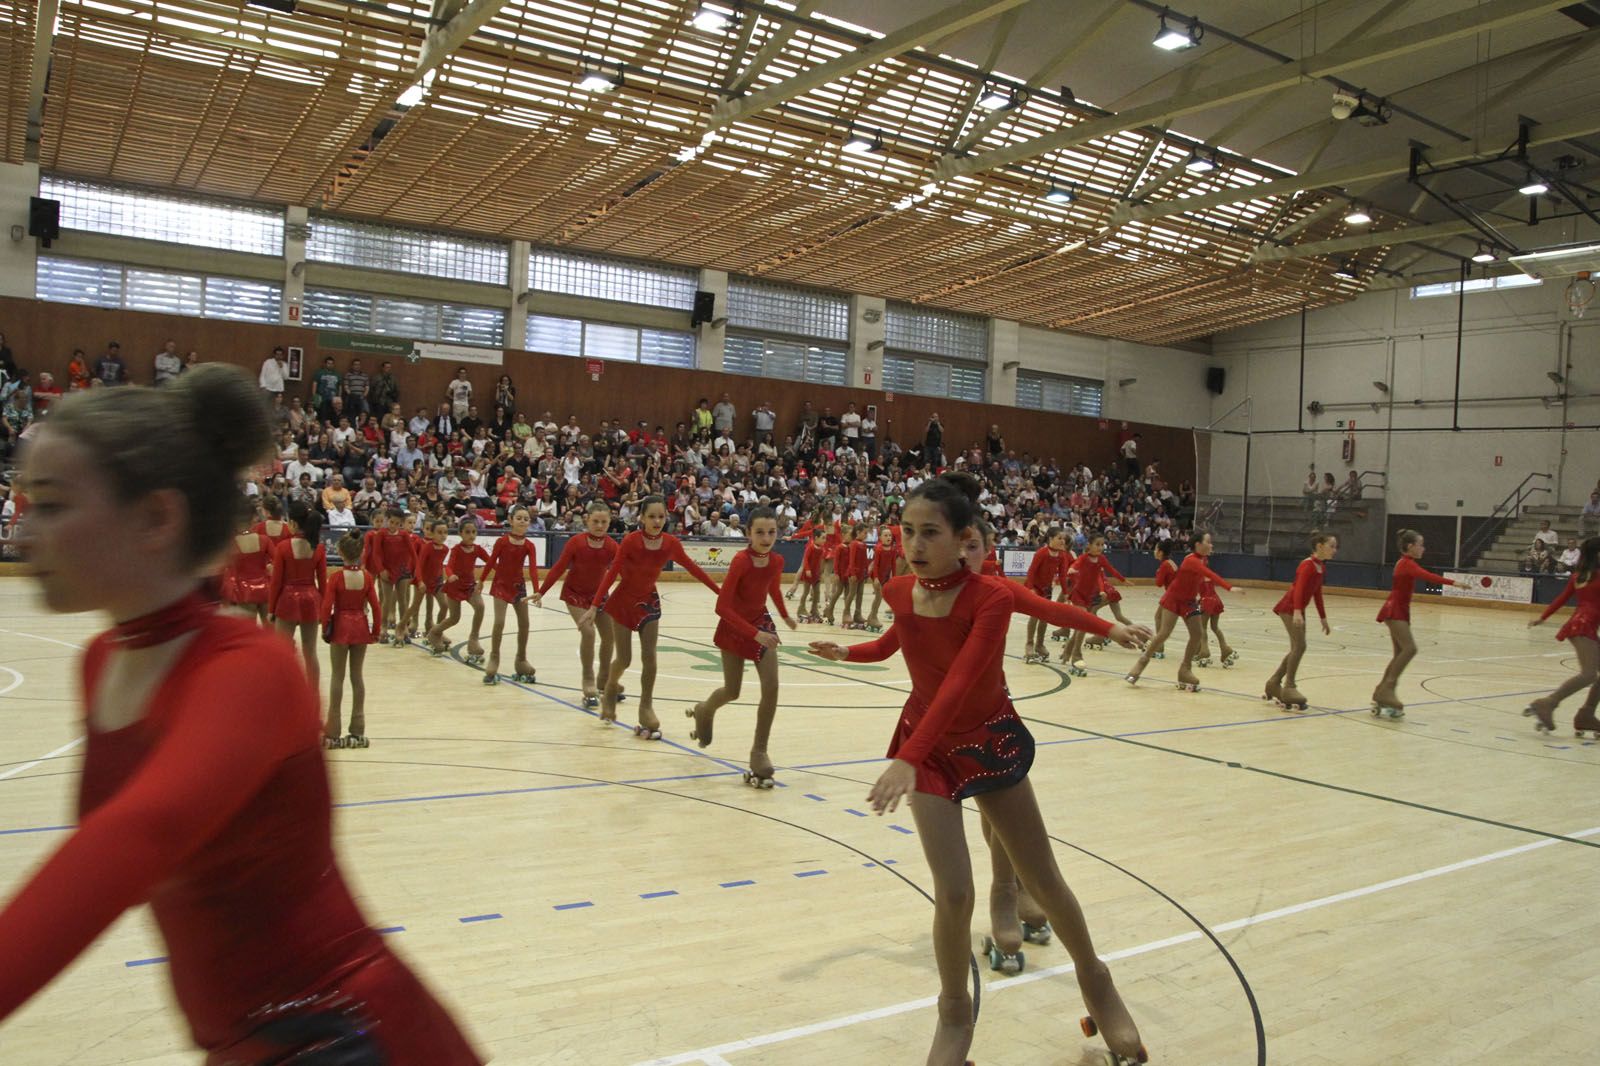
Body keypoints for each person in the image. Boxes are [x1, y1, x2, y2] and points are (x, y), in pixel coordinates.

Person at [0, 364, 481, 1063]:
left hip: (349, 1039)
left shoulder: (248, 672)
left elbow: (134, 839)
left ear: (156, 518)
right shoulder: (102, 660)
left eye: (52, 504)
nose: (26, 526)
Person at [807, 472, 1147, 1066]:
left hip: (989, 742)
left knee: (1043, 882)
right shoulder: (896, 591)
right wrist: (850, 652)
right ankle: (954, 1012)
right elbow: (894, 645)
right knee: (954, 892)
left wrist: (1108, 624)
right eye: (907, 531)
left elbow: (965, 678)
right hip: (929, 749)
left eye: (929, 533)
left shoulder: (990, 597)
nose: (914, 545)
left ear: (964, 538)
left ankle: (1096, 981)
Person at [582, 495, 721, 738]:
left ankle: (646, 706)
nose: (657, 521)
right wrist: (594, 606)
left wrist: (721, 593)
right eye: (652, 516)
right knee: (623, 660)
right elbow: (612, 572)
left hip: (649, 602)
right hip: (624, 602)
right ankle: (611, 688)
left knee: (650, 658)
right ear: (642, 518)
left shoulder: (670, 543)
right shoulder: (631, 541)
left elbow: (694, 569)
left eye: (661, 516)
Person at [684, 506, 796, 787]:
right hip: (735, 628)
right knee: (732, 690)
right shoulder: (740, 562)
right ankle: (705, 710)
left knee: (771, 687)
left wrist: (783, 615)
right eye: (760, 532)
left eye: (771, 532)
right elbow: (722, 606)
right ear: (748, 534)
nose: (767, 537)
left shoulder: (776, 561)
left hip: (762, 624)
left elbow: (772, 589)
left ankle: (759, 751)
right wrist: (753, 634)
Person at [1125, 532, 1236, 689]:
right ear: (1198, 544)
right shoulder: (1191, 560)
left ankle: (1185, 669)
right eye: (1208, 542)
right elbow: (1209, 574)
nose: (1211, 545)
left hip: (1189, 602)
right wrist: (1229, 587)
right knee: (1164, 633)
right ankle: (1141, 663)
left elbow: (1198, 579)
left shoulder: (1203, 559)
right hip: (1174, 599)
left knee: (1197, 634)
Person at [538, 501, 619, 707]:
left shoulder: (611, 546)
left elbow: (623, 570)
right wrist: (541, 591)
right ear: (587, 521)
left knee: (610, 636)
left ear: (609, 522)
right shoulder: (576, 542)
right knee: (589, 633)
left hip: (599, 595)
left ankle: (604, 678)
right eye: (595, 521)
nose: (599, 526)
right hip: (575, 595)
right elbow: (558, 568)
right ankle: (588, 679)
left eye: (603, 522)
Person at [1371, 530, 1456, 718]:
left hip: (1398, 609)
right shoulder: (1407, 564)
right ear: (1411, 546)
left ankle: (1382, 690)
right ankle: (1387, 689)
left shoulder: (1406, 563)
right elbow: (1428, 576)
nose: (1423, 548)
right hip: (1395, 610)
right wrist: (1454, 582)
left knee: (1399, 653)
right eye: (1421, 545)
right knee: (1409, 649)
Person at [1526, 536, 1600, 736]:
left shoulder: (1579, 575)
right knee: (1589, 674)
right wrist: (1543, 617)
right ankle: (1548, 703)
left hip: (1580, 624)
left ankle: (1587, 714)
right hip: (1584, 626)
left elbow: (1561, 598)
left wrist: (1543, 617)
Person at [321, 531, 382, 749]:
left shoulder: (336, 577)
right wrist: (375, 630)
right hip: (360, 626)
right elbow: (375, 606)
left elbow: (327, 606)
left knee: (338, 677)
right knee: (357, 677)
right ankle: (358, 728)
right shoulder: (366, 577)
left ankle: (333, 730)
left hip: (341, 627)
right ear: (361, 552)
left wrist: (325, 626)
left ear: (339, 552)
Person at [1266, 531, 1338, 711]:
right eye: (1332, 546)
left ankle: (1274, 683)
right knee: (1300, 646)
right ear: (1320, 546)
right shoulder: (1307, 565)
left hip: (1297, 609)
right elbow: (1298, 590)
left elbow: (1317, 593)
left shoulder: (1320, 567)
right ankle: (1289, 686)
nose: (1334, 550)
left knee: (1297, 647)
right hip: (1290, 608)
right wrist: (1298, 611)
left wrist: (1323, 618)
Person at [479, 505, 541, 685]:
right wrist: (482, 580)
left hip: (518, 587)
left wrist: (537, 590)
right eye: (519, 518)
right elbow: (491, 562)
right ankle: (494, 657)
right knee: (499, 622)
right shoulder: (502, 542)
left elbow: (533, 569)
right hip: (500, 585)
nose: (523, 521)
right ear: (511, 520)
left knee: (525, 623)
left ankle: (521, 659)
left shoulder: (529, 545)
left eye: (526, 519)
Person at [268, 501, 327, 691]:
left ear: (292, 523)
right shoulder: (318, 548)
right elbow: (323, 582)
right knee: (310, 652)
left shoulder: (283, 547)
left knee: (282, 652)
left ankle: (283, 691)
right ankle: (313, 697)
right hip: (311, 598)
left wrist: (271, 609)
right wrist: (324, 610)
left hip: (288, 599)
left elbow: (276, 582)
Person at [1059, 534, 1124, 676]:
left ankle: (1068, 650)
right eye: (1097, 544)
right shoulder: (1083, 558)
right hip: (1078, 594)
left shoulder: (1101, 559)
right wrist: (1071, 571)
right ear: (1089, 545)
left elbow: (1107, 573)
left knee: (1080, 626)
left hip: (1090, 595)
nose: (1100, 547)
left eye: (1102, 545)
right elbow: (1075, 567)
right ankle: (1077, 654)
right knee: (1083, 623)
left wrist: (1122, 580)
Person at [426, 519, 489, 662]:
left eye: (473, 532)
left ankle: (473, 640)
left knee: (480, 607)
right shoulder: (456, 549)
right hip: (454, 586)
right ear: (460, 533)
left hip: (470, 586)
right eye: (467, 532)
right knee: (455, 618)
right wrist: (450, 575)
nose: (471, 535)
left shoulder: (478, 549)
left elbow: (490, 562)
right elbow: (448, 566)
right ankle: (434, 632)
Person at [1021, 527, 1069, 663]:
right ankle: (1029, 644)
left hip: (1047, 590)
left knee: (1045, 617)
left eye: (1063, 538)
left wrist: (1066, 593)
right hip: (1035, 588)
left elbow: (1063, 575)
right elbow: (1031, 572)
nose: (1062, 541)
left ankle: (1040, 645)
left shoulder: (1062, 555)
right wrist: (1030, 589)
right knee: (1035, 616)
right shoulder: (1042, 553)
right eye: (1059, 538)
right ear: (1051, 539)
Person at [407, 517, 451, 643]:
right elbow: (415, 561)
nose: (429, 532)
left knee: (436, 603)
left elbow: (439, 565)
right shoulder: (421, 544)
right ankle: (409, 623)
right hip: (421, 578)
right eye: (427, 529)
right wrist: (415, 577)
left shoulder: (443, 548)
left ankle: (433, 628)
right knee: (416, 604)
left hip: (435, 580)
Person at [865, 521, 899, 631]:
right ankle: (873, 617)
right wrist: (875, 578)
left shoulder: (893, 549)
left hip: (885, 575)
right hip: (876, 575)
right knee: (879, 597)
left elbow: (893, 564)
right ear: (880, 537)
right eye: (885, 535)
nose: (888, 537)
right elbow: (876, 565)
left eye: (890, 535)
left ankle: (871, 617)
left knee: (880, 597)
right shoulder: (878, 549)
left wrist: (893, 577)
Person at [793, 524, 826, 623]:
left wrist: (820, 571)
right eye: (823, 538)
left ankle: (814, 609)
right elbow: (806, 559)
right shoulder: (811, 547)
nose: (825, 540)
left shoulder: (821, 549)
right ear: (816, 538)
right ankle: (801, 608)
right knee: (806, 592)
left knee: (817, 593)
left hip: (816, 574)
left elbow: (820, 562)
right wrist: (807, 570)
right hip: (808, 573)